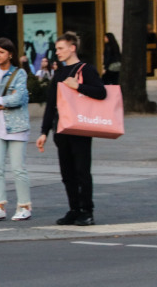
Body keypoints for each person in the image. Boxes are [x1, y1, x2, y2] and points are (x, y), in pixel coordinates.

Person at [36, 30, 107, 226]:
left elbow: (101, 93)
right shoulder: (58, 73)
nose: (57, 52)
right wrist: (44, 132)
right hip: (61, 129)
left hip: (81, 128)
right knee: (67, 173)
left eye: (60, 48)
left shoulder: (86, 69)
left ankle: (87, 210)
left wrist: (78, 86)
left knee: (82, 171)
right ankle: (74, 209)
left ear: (72, 48)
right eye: (56, 48)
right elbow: (51, 104)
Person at [0, 38, 32, 221]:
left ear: (10, 53)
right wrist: (1, 103)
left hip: (16, 126)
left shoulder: (19, 74)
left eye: (1, 52)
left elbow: (19, 99)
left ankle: (24, 206)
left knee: (18, 168)